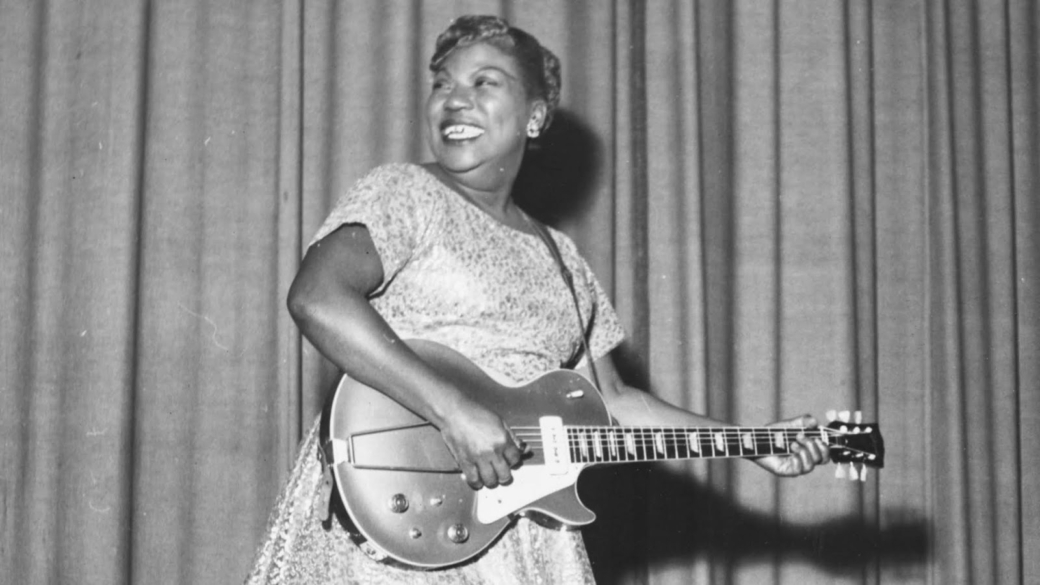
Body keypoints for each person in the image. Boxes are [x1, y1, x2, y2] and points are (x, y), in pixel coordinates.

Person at [246, 14, 828, 585]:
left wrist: (752, 442)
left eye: (485, 83)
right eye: (443, 83)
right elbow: (317, 298)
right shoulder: (403, 192)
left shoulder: (561, 256)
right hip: (399, 507)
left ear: (535, 116)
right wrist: (453, 411)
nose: (454, 100)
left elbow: (616, 400)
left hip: (519, 530)